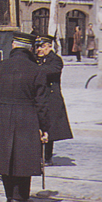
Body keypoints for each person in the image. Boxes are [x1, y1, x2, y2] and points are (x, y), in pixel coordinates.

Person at [0, 32, 49, 202]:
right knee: (24, 156)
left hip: (4, 113)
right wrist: (43, 126)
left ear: (13, 45)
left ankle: (9, 195)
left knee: (6, 154)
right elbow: (41, 102)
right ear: (30, 49)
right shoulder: (37, 70)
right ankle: (20, 197)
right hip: (28, 115)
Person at [35, 34, 73, 165]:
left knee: (48, 128)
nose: (39, 50)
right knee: (36, 127)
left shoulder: (55, 60)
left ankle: (46, 157)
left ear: (49, 46)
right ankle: (37, 156)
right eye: (37, 47)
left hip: (50, 99)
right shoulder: (36, 59)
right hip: (38, 97)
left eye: (41, 47)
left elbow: (47, 71)